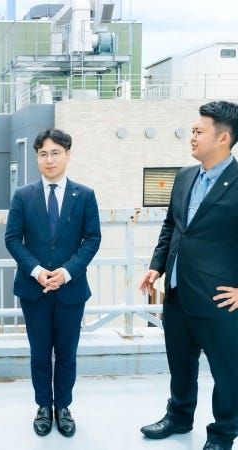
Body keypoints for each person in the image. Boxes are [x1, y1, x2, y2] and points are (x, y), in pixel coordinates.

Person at [139, 101, 238, 450]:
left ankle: (223, 433)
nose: (192, 136)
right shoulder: (184, 177)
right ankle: (179, 416)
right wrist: (157, 266)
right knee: (180, 363)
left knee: (227, 372)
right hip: (178, 290)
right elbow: (172, 226)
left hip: (219, 297)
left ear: (223, 138)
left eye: (199, 131)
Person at [5, 128, 101, 439]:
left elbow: (92, 239)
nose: (49, 159)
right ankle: (44, 406)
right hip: (34, 289)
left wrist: (66, 272)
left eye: (56, 153)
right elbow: (12, 239)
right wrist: (36, 271)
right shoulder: (23, 195)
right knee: (40, 353)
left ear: (68, 155)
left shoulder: (84, 195)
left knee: (67, 353)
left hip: (70, 288)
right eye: (43, 154)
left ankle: (64, 407)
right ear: (37, 158)